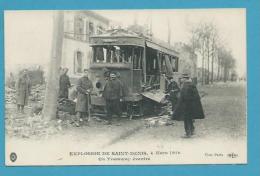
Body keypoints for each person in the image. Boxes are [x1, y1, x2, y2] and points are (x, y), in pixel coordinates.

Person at [172, 73, 205, 138]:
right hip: (192, 106)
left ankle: (188, 133)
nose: (181, 80)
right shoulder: (192, 84)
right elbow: (196, 96)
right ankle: (192, 130)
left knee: (186, 119)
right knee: (189, 118)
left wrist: (179, 99)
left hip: (186, 106)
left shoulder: (186, 86)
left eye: (182, 78)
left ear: (185, 79)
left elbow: (185, 97)